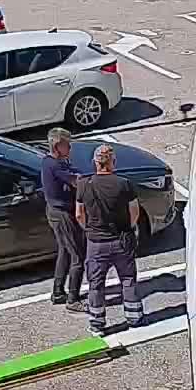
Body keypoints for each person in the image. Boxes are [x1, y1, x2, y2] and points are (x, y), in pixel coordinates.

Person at [76, 144, 142, 332]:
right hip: (121, 240)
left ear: (94, 163)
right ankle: (134, 317)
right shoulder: (124, 183)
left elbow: (79, 214)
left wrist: (89, 230)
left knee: (96, 284)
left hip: (96, 243)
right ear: (113, 162)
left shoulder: (84, 185)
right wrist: (128, 228)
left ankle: (97, 323)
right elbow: (134, 212)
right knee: (128, 279)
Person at [40, 128, 85, 310]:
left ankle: (58, 292)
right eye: (67, 144)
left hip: (54, 211)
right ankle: (73, 299)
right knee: (78, 257)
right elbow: (76, 182)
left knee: (65, 252)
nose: (70, 147)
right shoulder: (55, 166)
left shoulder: (51, 161)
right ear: (58, 146)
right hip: (62, 214)